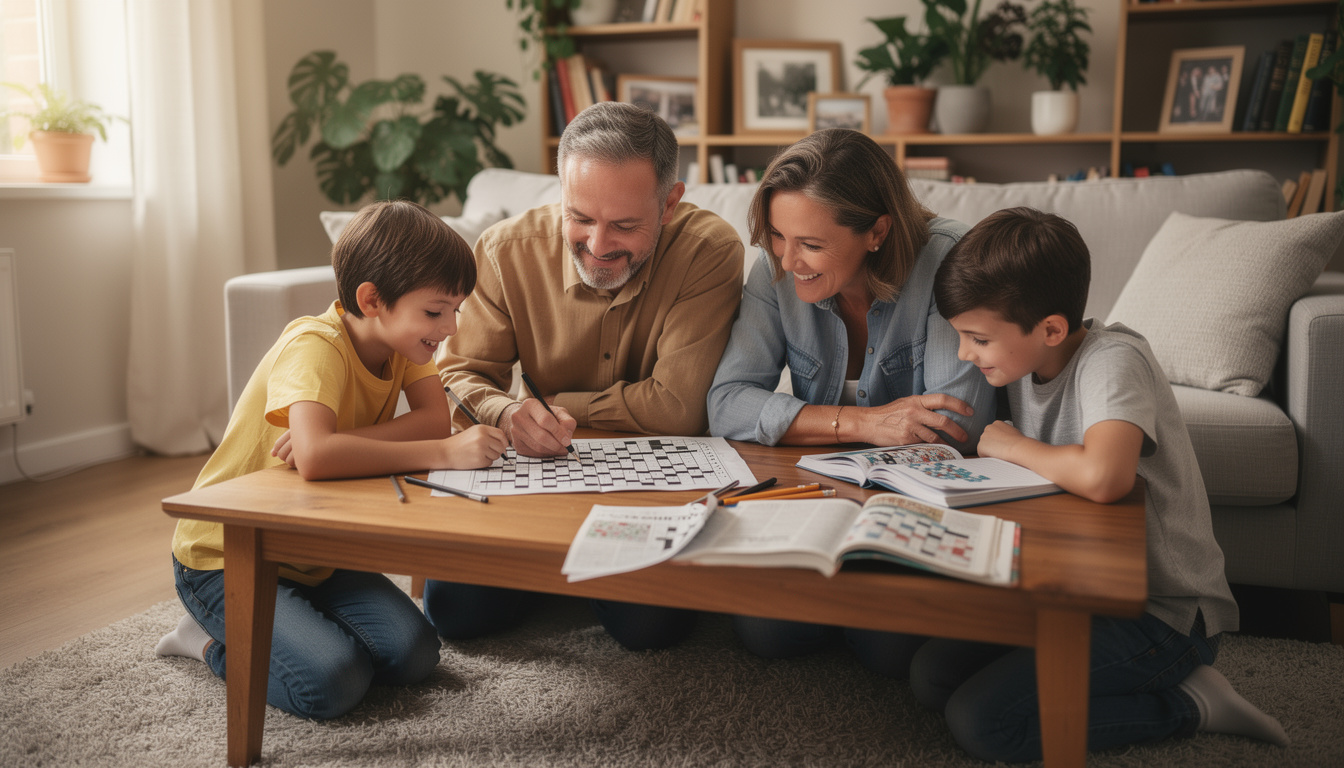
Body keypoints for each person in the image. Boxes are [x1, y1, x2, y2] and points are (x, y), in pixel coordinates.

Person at [922, 207, 1288, 762]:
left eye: (977, 338)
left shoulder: (1113, 360)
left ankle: (1189, 705)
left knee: (983, 723)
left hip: (1160, 612)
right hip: (1075, 592)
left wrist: (1013, 445)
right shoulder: (1025, 361)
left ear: (1051, 329)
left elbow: (1105, 476)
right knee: (931, 678)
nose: (964, 355)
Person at [156, 200, 509, 720]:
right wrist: (437, 453)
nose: (451, 327)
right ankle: (206, 643)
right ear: (371, 300)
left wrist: (341, 442)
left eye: (455, 309)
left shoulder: (406, 344)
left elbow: (432, 419)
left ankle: (293, 629)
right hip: (229, 553)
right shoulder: (314, 345)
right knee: (333, 684)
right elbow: (326, 458)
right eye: (436, 310)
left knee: (415, 654)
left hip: (314, 549)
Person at [431, 101, 745, 650]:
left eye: (625, 225)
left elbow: (677, 408)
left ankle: (568, 577)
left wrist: (555, 401)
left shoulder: (708, 251)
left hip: (648, 482)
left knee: (651, 631)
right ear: (560, 194)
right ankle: (570, 572)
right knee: (454, 613)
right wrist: (508, 410)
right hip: (537, 476)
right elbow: (459, 372)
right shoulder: (505, 253)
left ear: (670, 203)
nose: (598, 247)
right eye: (580, 218)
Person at [706, 128, 996, 674]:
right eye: (776, 236)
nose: (789, 262)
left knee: (888, 651)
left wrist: (807, 424)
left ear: (878, 231)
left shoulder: (951, 260)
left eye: (811, 245)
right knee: (765, 632)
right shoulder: (776, 271)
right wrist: (864, 422)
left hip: (920, 503)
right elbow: (727, 402)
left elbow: (955, 430)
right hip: (822, 492)